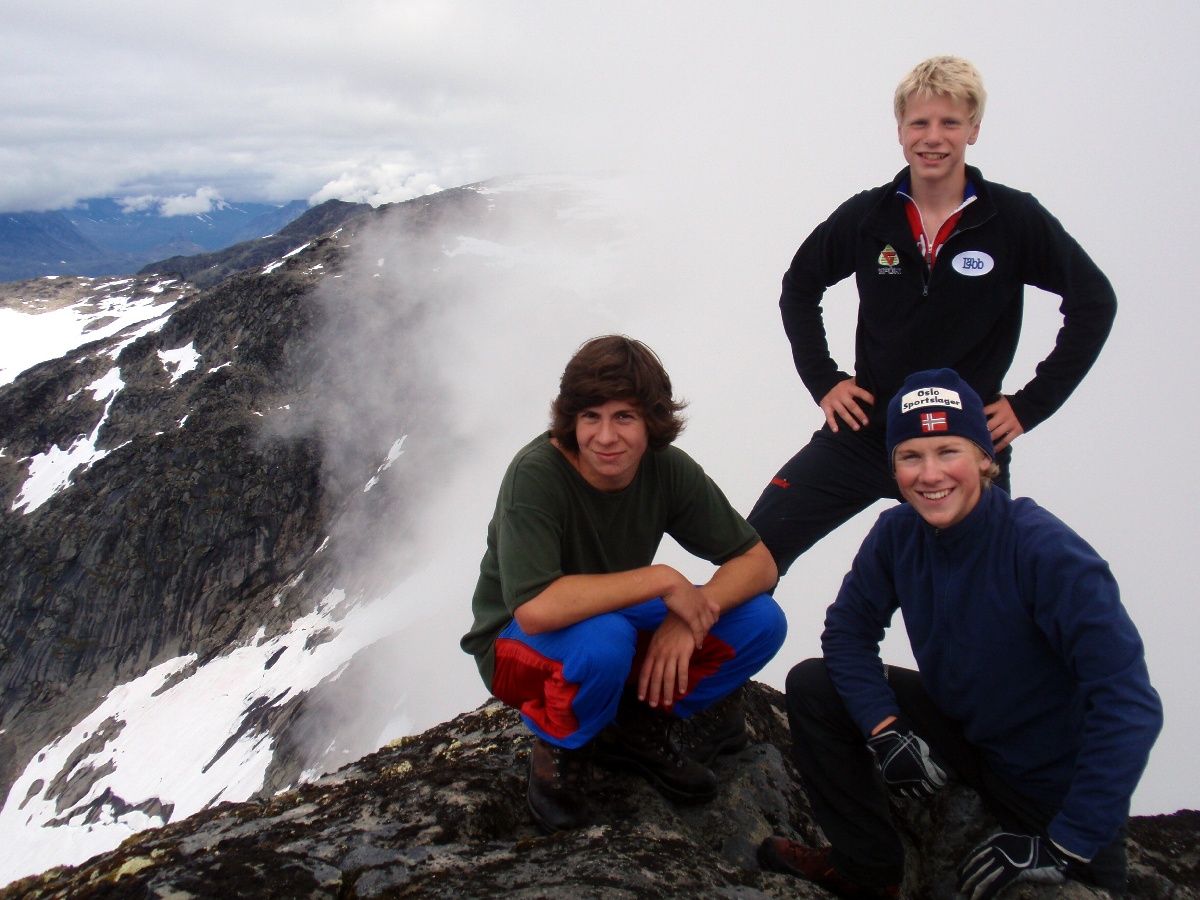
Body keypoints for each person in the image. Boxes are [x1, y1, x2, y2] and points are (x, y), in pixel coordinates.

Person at [757, 368, 1162, 899]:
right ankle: (867, 873)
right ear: (892, 467)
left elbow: (1129, 703)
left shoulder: (1044, 551)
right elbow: (848, 633)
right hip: (966, 737)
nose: (930, 475)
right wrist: (885, 728)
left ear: (986, 459)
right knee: (815, 686)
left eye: (948, 451)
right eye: (911, 456)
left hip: (1048, 787)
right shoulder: (898, 533)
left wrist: (1068, 842)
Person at [748, 55, 1117, 577]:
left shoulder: (1012, 219)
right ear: (900, 130)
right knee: (750, 553)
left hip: (962, 444)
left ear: (974, 130)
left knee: (984, 593)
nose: (933, 137)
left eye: (950, 122)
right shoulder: (869, 215)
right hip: (868, 432)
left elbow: (1094, 302)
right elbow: (800, 286)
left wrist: (1031, 405)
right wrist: (824, 380)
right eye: (920, 122)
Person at [460, 335, 787, 833]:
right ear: (571, 419)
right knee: (605, 642)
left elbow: (758, 564)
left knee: (762, 620)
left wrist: (689, 617)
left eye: (625, 417)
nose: (606, 436)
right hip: (513, 645)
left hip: (607, 622)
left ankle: (635, 725)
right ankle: (560, 748)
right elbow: (534, 608)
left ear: (651, 421)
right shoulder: (536, 474)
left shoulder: (666, 468)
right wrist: (662, 581)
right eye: (590, 416)